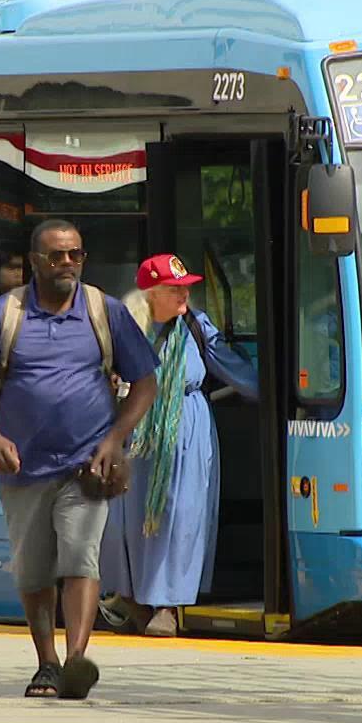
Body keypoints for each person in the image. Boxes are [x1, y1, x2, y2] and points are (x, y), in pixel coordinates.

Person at [0, 219, 159, 700]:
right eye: (56, 256)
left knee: (80, 557)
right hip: (22, 466)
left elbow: (146, 382)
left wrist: (113, 440)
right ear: (34, 262)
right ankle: (45, 662)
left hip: (86, 464)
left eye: (75, 254)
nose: (67, 263)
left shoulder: (103, 310)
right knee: (32, 571)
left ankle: (74, 661)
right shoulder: (4, 313)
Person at [100, 254, 260, 637]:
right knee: (133, 516)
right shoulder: (123, 327)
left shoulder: (195, 325)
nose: (185, 298)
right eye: (176, 291)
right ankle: (131, 595)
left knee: (182, 513)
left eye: (186, 288)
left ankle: (168, 604)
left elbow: (236, 372)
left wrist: (285, 391)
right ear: (152, 294)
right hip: (137, 427)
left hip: (187, 425)